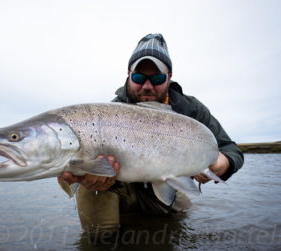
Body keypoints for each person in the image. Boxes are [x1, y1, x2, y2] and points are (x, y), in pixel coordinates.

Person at [58, 33, 244, 235]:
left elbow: (232, 150)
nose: (147, 86)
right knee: (91, 183)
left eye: (157, 78)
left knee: (178, 228)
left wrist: (222, 164)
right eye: (139, 77)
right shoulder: (110, 115)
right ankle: (102, 238)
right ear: (128, 74)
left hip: (169, 187)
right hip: (120, 189)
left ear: (169, 77)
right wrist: (93, 177)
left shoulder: (192, 110)